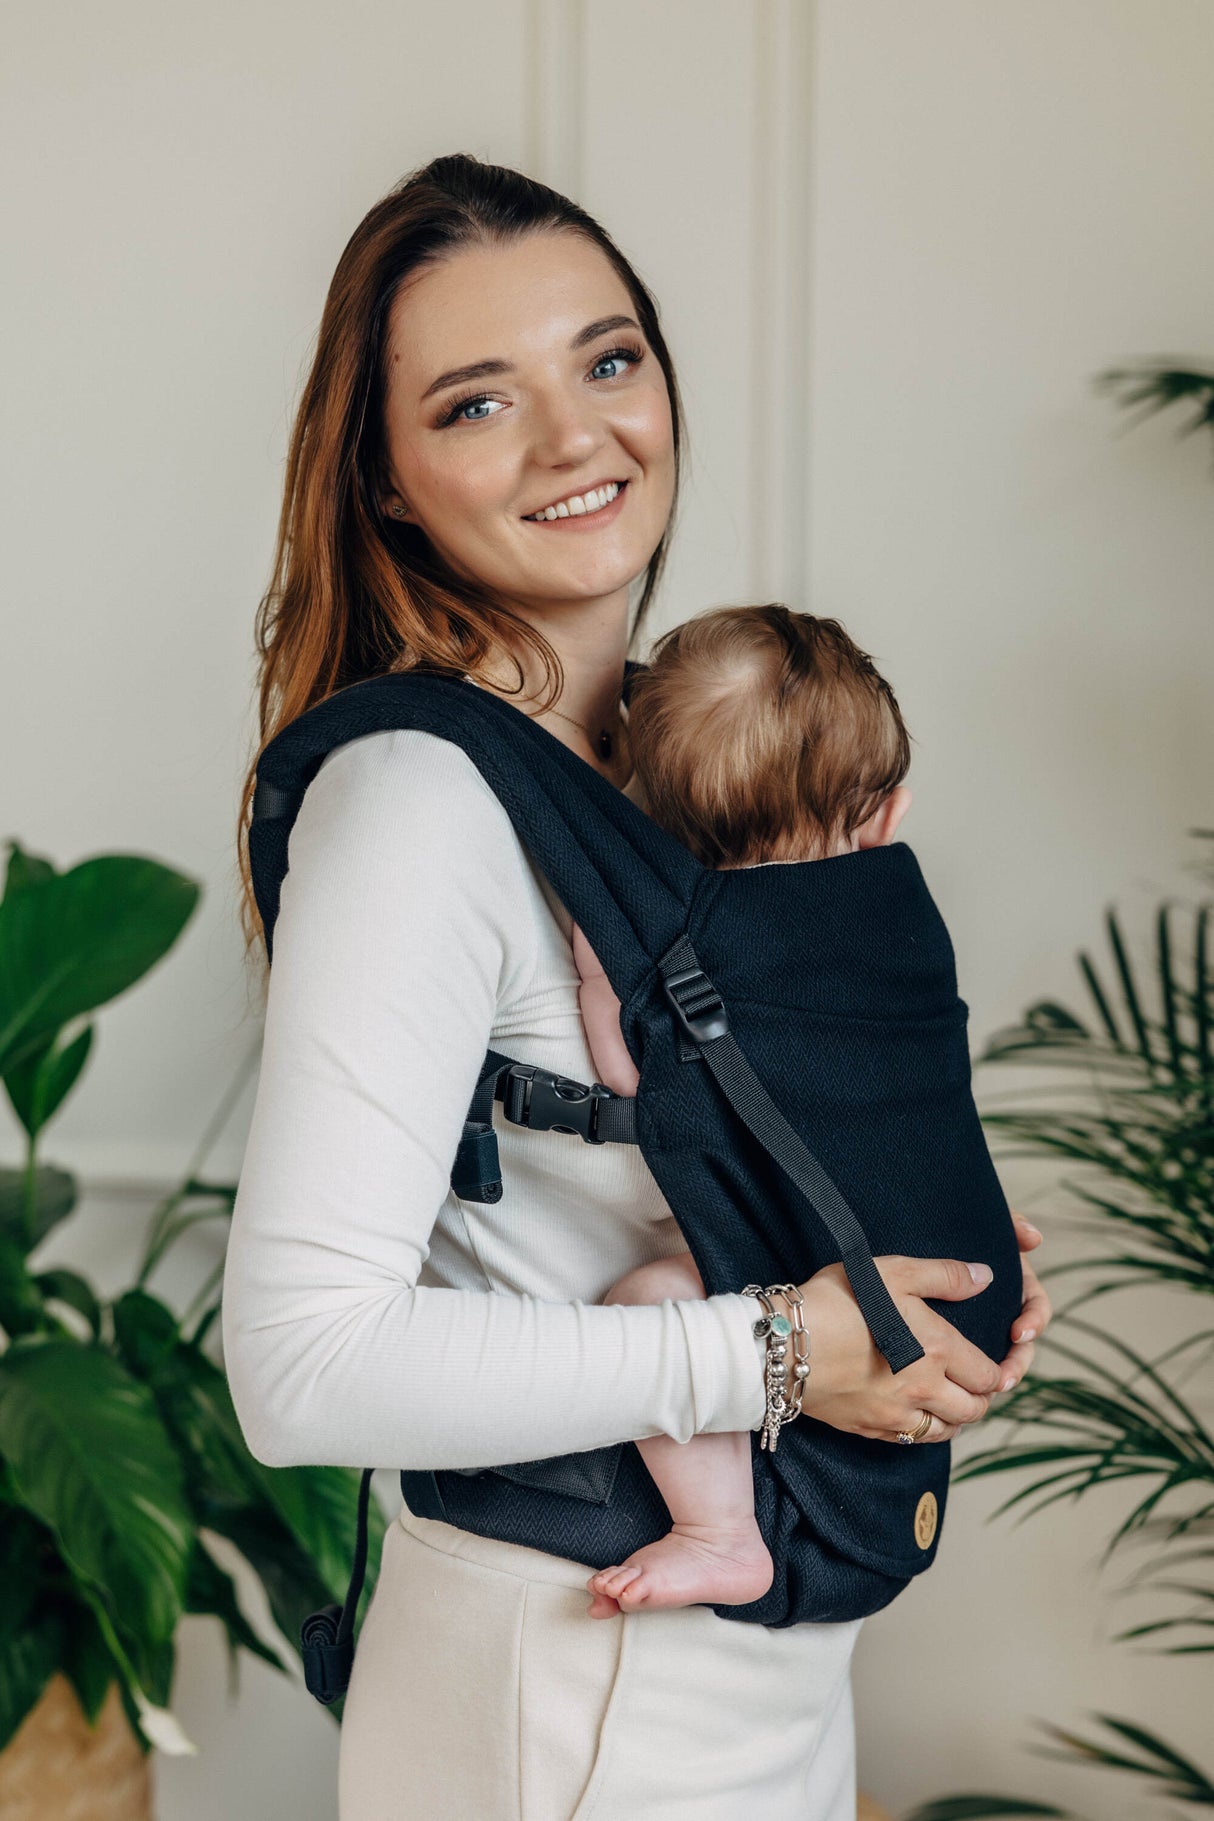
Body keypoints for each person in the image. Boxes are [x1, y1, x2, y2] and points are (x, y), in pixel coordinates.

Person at [222, 152, 1051, 1821]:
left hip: (729, 1671)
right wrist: (772, 1352)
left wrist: (894, 1271)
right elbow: (299, 1363)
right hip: (577, 1686)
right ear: (381, 479)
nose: (573, 437)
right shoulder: (421, 799)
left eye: (605, 361)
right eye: (473, 403)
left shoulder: (650, 769)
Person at [571, 603, 928, 1618]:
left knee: (648, 1305)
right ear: (885, 817)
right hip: (919, 1253)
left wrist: (599, 962)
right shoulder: (900, 934)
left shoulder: (683, 947)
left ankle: (718, 1532)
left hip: (791, 1261)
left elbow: (634, 1080)